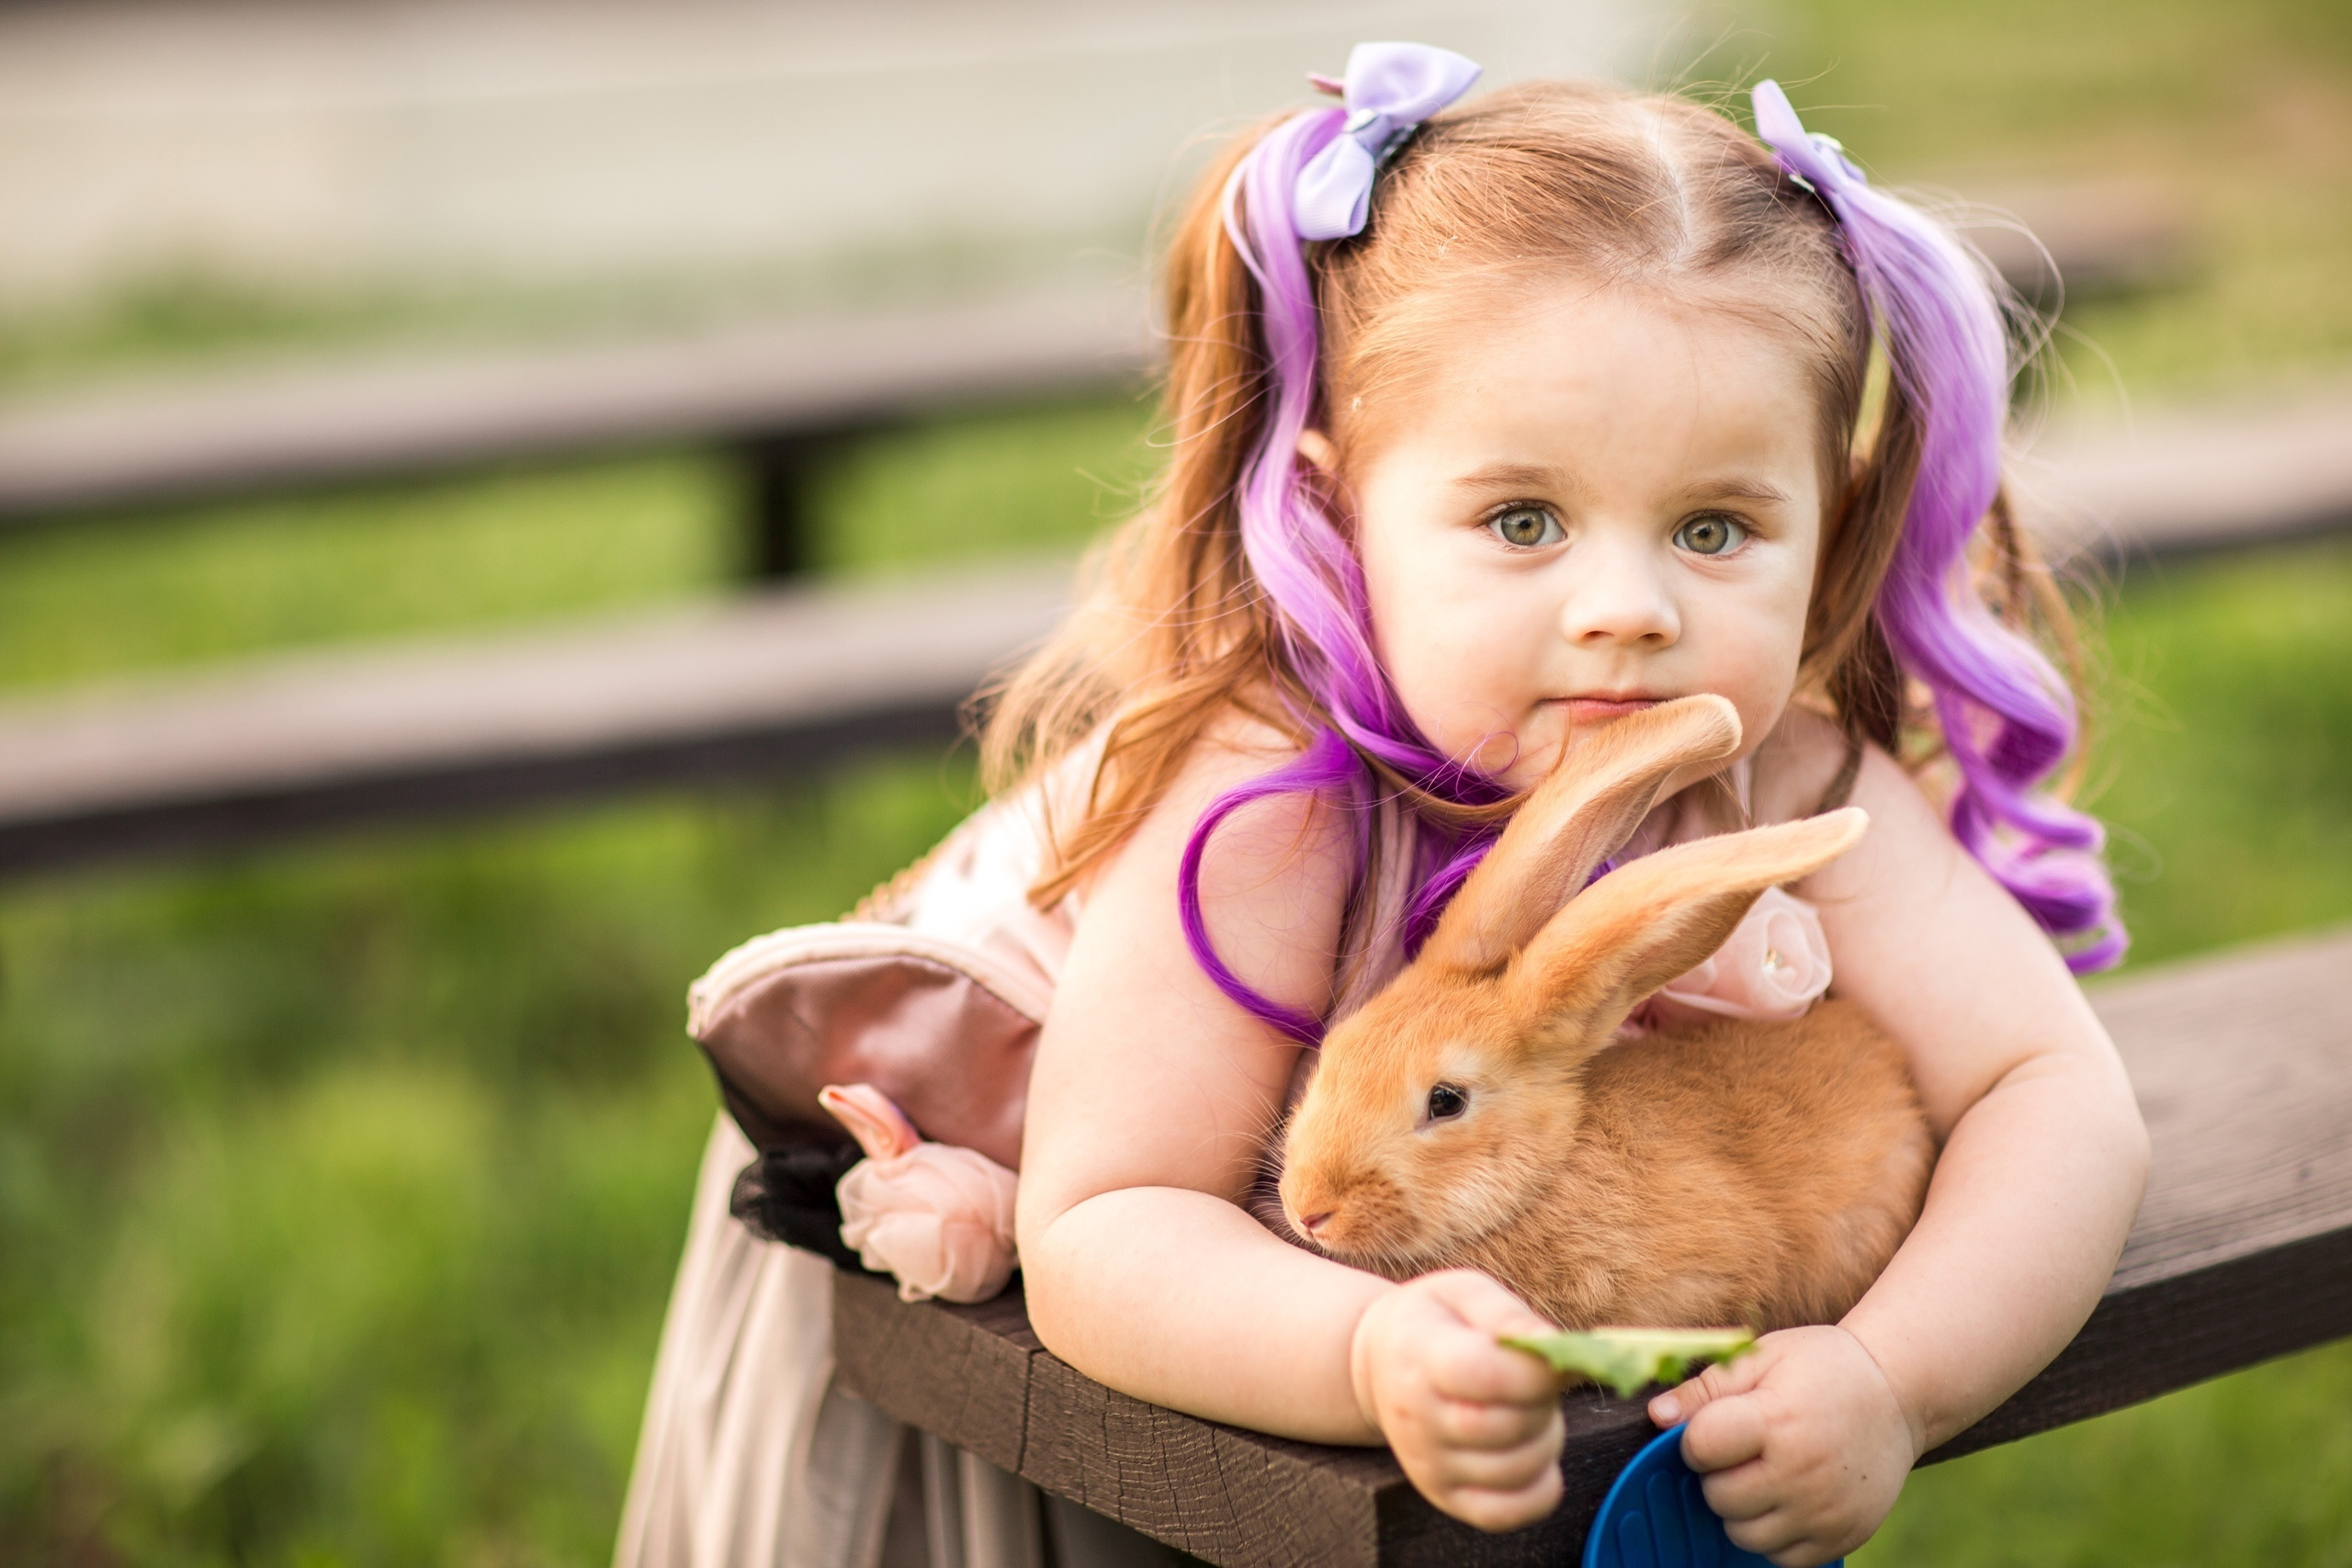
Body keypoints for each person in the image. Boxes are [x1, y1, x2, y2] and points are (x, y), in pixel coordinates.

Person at [620, 46, 2150, 1568]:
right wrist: (1362, 1351)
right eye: (1522, 520)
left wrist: (1894, 1379)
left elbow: (2054, 1097)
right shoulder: (1274, 813)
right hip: (1007, 1384)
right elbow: (1102, 1232)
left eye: (1714, 526)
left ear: (1830, 520)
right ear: (1342, 512)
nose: (1627, 609)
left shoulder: (1799, 780)